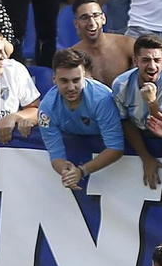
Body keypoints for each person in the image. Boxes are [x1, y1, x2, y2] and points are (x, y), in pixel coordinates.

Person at [40, 47, 127, 188]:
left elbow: (116, 148)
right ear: (54, 79)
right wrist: (67, 173)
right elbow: (56, 154)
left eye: (76, 80)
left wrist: (82, 171)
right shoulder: (47, 107)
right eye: (64, 81)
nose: (71, 87)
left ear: (84, 76)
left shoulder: (102, 99)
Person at [114, 33, 162, 187]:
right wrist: (146, 158)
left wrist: (151, 102)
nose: (152, 66)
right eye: (146, 60)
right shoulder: (121, 85)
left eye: (157, 60)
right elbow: (126, 122)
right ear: (135, 61)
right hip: (141, 131)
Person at [71, 0, 135, 85]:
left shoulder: (127, 45)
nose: (91, 23)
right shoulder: (73, 56)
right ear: (76, 24)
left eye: (96, 15)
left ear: (103, 18)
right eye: (85, 17)